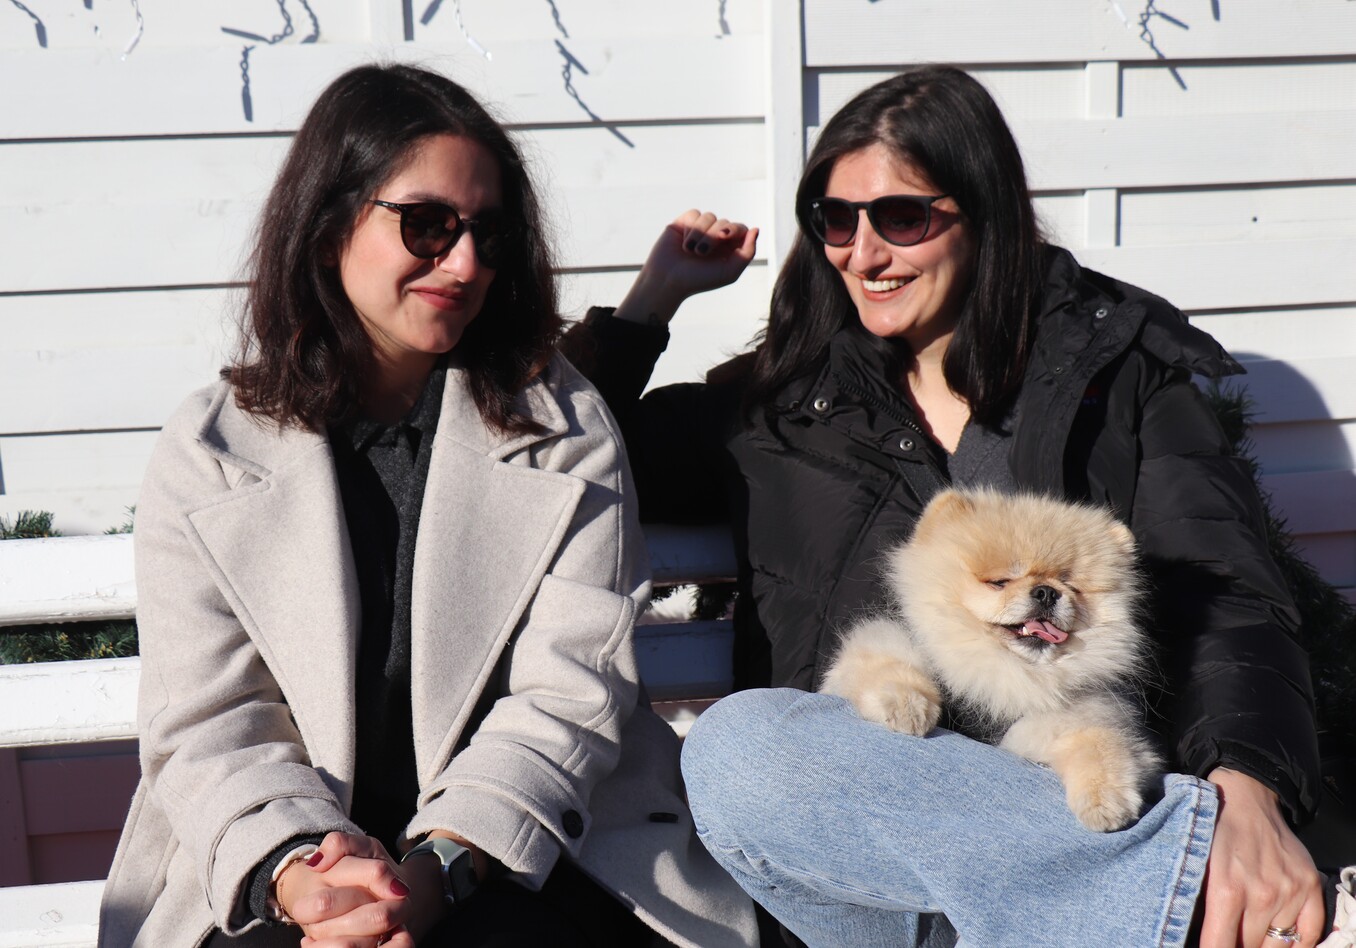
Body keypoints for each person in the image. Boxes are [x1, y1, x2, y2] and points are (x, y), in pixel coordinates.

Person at [563, 65, 1346, 947]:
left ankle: (1160, 895)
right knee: (738, 753)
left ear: (983, 214)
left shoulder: (1113, 376)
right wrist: (650, 302)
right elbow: (568, 455)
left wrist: (1246, 788)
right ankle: (1184, 897)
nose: (864, 253)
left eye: (901, 217)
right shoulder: (773, 407)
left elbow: (1224, 592)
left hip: (1082, 819)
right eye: (835, 219)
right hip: (865, 886)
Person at [97, 63, 757, 948]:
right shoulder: (211, 450)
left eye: (490, 232)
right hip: (276, 869)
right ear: (329, 224)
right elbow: (209, 721)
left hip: (529, 854)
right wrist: (307, 877)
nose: (466, 262)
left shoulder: (563, 427)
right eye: (428, 225)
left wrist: (440, 867)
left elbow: (570, 695)